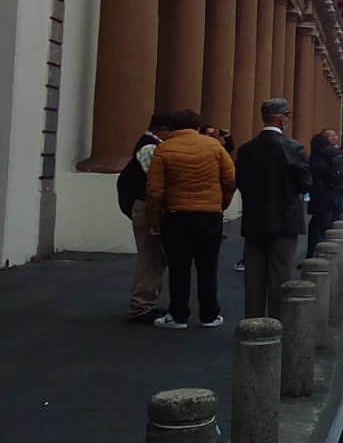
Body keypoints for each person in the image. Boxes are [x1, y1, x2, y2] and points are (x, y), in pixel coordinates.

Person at [147, 109, 236, 329]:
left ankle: (178, 315)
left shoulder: (164, 149)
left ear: (174, 127)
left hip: (176, 214)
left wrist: (155, 220)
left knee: (179, 267)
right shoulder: (214, 146)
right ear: (197, 126)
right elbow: (230, 179)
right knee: (208, 266)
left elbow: (154, 190)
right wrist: (221, 204)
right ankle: (209, 314)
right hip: (209, 214)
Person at [235, 99, 312, 319]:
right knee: (280, 272)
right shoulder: (293, 148)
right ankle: (277, 322)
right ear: (282, 119)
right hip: (285, 218)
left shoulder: (246, 149)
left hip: (254, 217)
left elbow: (240, 181)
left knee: (254, 274)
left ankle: (253, 321)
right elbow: (305, 183)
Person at [121, 112, 174, 323]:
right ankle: (140, 306)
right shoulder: (149, 148)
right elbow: (155, 179)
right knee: (150, 258)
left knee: (154, 257)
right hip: (146, 207)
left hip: (144, 206)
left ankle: (145, 303)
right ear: (162, 129)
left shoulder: (150, 145)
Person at [306, 131, 343, 258]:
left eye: (335, 135)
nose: (334, 137)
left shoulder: (316, 154)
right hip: (330, 194)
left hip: (319, 194)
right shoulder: (332, 153)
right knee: (327, 225)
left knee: (317, 225)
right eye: (330, 136)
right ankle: (321, 255)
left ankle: (312, 254)